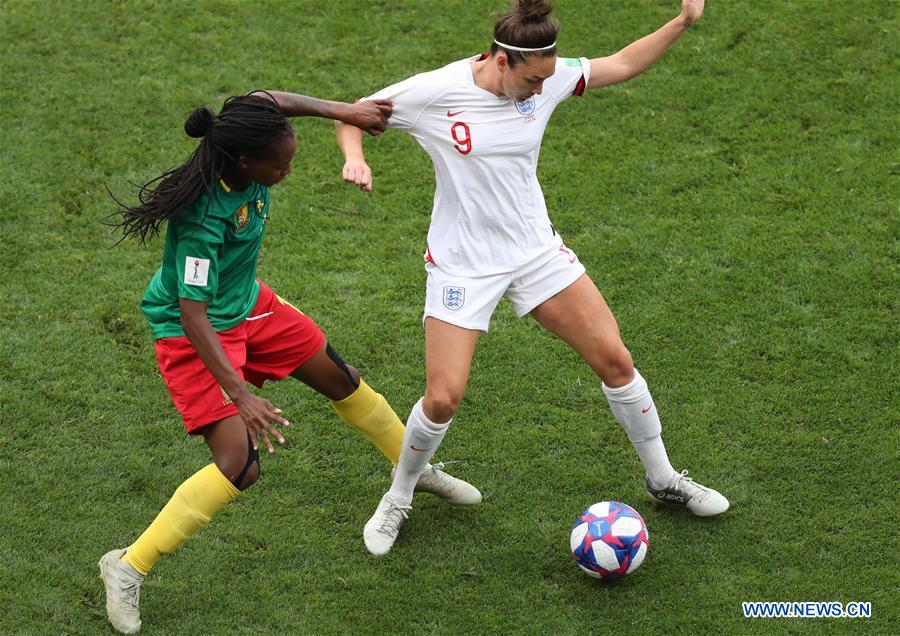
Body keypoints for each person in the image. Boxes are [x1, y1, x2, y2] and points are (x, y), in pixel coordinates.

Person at [335, 0, 729, 557]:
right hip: (463, 264)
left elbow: (618, 64)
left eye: (548, 78)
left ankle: (662, 478)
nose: (541, 90)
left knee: (615, 361)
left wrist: (682, 22)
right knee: (443, 397)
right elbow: (351, 113)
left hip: (535, 253)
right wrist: (357, 159)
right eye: (531, 80)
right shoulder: (439, 91)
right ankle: (400, 494)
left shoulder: (546, 77)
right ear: (501, 60)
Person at [99, 91, 481, 634]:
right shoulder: (202, 218)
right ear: (245, 162)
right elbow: (192, 316)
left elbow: (271, 99)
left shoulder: (248, 144)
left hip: (249, 304)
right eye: (280, 164)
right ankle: (127, 565)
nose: (288, 168)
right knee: (240, 466)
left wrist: (343, 113)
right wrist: (242, 394)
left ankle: (411, 470)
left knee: (343, 381)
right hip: (196, 333)